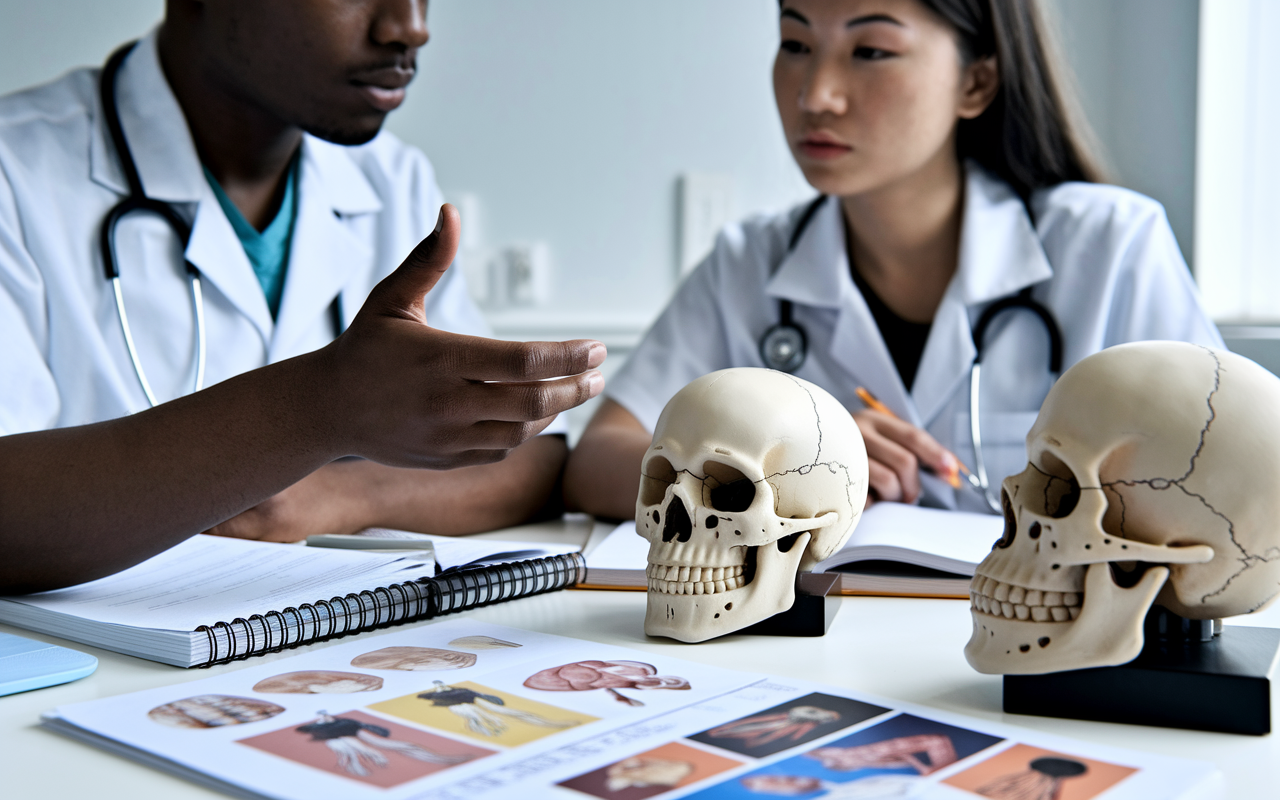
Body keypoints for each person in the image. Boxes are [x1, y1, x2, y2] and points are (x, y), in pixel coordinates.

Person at [0, 0, 605, 594]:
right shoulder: (16, 170)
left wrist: (336, 495)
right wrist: (320, 408)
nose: (409, 27)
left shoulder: (391, 178)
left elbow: (527, 462)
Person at [565, 0, 1222, 520]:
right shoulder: (749, 264)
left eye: (870, 50)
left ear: (976, 80)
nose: (815, 94)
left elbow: (1219, 475)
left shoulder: (1110, 246)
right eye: (796, 44)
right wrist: (780, 457)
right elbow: (596, 463)